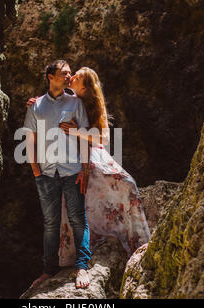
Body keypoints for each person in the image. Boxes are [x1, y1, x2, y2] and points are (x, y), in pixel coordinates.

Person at [25, 66, 151, 275]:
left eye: (76, 77)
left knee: (125, 182)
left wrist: (78, 132)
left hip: (93, 153)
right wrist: (36, 103)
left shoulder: (91, 105)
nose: (71, 77)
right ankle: (73, 252)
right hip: (69, 157)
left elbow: (104, 139)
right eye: (70, 75)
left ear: (85, 87)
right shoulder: (67, 100)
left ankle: (132, 237)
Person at [23, 60, 92, 290]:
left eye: (70, 73)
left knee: (78, 219)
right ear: (50, 77)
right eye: (64, 73)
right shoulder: (36, 106)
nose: (68, 77)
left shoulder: (75, 103)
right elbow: (29, 139)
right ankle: (48, 270)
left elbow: (84, 136)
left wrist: (85, 168)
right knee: (50, 223)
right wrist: (36, 170)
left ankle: (82, 266)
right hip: (46, 173)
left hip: (72, 170)